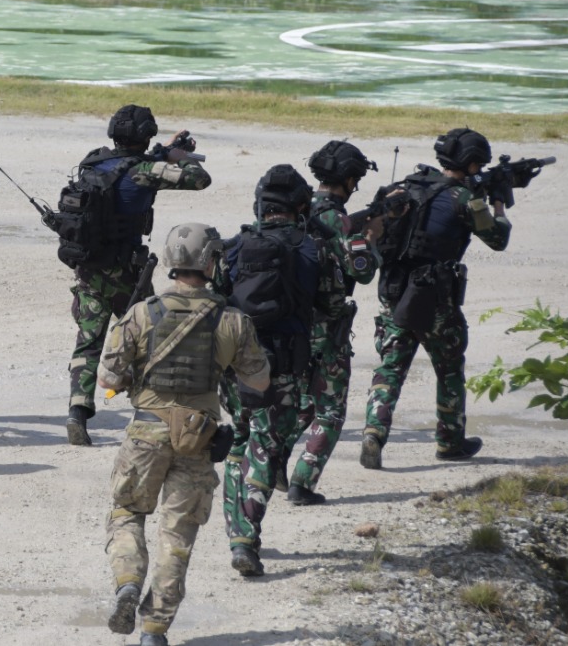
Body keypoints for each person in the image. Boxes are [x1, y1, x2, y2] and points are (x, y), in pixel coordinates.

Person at [98, 223, 270, 646]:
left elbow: (106, 377)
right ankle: (154, 631)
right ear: (210, 261)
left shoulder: (141, 313)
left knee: (126, 514)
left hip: (145, 434)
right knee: (178, 537)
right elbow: (260, 382)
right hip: (198, 437)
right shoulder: (231, 320)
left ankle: (127, 582)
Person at [361, 128, 511, 468]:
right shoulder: (465, 200)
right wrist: (499, 203)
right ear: (472, 164)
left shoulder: (407, 187)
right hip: (436, 300)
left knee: (390, 369)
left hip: (393, 293)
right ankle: (450, 441)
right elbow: (498, 238)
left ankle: (373, 432)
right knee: (449, 368)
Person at [64, 104, 212, 447]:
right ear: (145, 137)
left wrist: (163, 152)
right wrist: (179, 157)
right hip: (124, 271)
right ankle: (153, 410)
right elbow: (199, 179)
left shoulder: (93, 162)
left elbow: (126, 164)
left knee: (88, 341)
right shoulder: (146, 171)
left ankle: (77, 412)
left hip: (88, 266)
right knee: (152, 339)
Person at [220, 164, 330, 577]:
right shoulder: (313, 248)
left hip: (234, 363)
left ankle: (236, 526)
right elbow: (332, 305)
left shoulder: (234, 246)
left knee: (240, 442)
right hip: (284, 366)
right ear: (301, 207)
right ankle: (245, 539)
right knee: (265, 448)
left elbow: (216, 299)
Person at [284, 141, 382, 505]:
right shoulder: (338, 221)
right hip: (328, 328)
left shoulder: (294, 208)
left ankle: (271, 466)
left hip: (291, 322)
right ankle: (302, 483)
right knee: (329, 410)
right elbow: (364, 271)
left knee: (301, 404)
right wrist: (371, 238)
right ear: (351, 179)